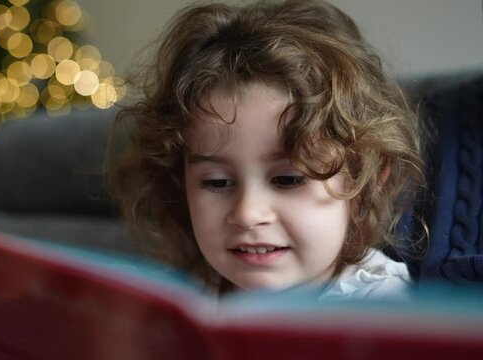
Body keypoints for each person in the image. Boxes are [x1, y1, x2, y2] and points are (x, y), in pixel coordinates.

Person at [108, 0, 425, 300]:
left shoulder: (377, 301)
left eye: (288, 179)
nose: (247, 214)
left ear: (366, 182)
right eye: (217, 182)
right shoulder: (190, 294)